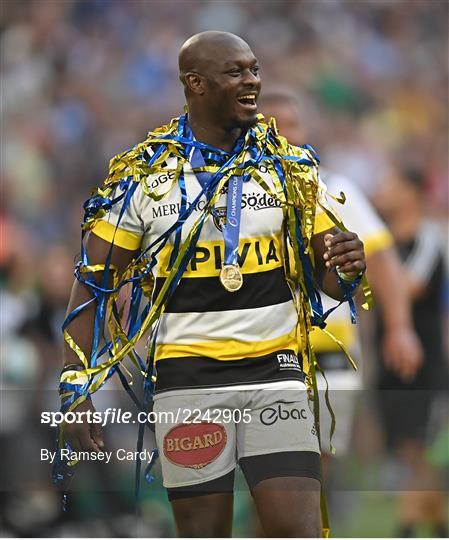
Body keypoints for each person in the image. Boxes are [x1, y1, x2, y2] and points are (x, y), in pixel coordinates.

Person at [59, 32, 368, 538]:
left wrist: (349, 267)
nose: (253, 82)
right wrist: (75, 388)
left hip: (276, 376)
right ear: (196, 84)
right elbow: (92, 287)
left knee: (298, 530)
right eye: (236, 72)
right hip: (189, 385)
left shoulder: (289, 167)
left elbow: (329, 285)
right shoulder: (143, 176)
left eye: (254, 68)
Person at [259, 90, 422, 470]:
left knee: (319, 463)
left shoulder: (331, 185)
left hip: (329, 346)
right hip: (262, 348)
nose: (290, 135)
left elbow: (381, 261)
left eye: (296, 125)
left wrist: (400, 328)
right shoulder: (232, 196)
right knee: (267, 466)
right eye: (276, 127)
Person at [373, 165, 448, 538]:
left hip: (424, 364)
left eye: (389, 183)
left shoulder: (429, 239)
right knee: (406, 450)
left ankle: (407, 529)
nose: (380, 191)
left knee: (418, 449)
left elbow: (408, 287)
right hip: (387, 361)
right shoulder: (379, 242)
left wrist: (374, 275)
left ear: (410, 193)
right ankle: (434, 527)